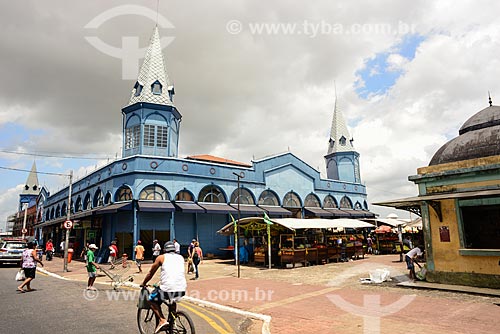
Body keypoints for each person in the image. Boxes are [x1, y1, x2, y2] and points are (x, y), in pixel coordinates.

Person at [141, 241, 187, 334]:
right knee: (172, 300)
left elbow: (150, 273)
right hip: (181, 288)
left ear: (165, 250)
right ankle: (172, 323)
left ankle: (162, 320)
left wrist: (144, 283)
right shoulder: (181, 257)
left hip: (167, 288)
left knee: (151, 300)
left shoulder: (161, 257)